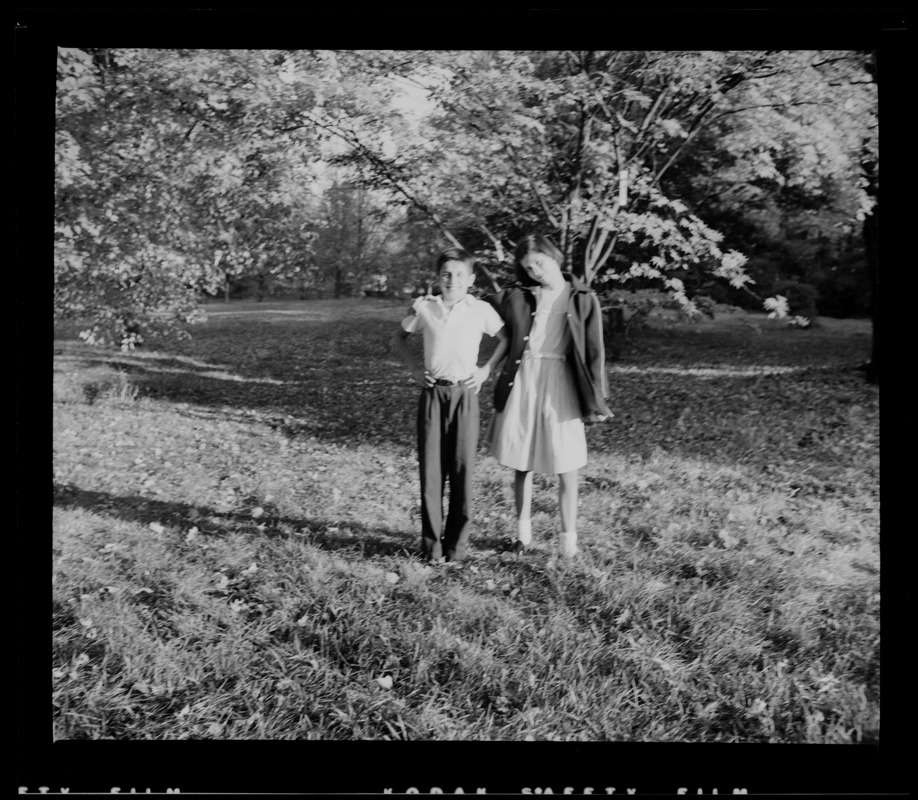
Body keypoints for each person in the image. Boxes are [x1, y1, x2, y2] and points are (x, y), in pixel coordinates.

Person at [486, 234, 612, 558]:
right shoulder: (520, 296)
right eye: (529, 268)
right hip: (524, 379)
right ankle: (522, 537)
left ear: (554, 257)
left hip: (562, 383)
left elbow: (595, 352)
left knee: (567, 463)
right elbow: (481, 306)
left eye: (540, 263)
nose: (537, 272)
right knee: (521, 462)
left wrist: (597, 400)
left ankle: (569, 544)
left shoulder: (583, 297)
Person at [394, 247, 508, 563]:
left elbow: (507, 340)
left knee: (462, 470)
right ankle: (431, 548)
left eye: (459, 274)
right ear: (438, 277)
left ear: (470, 279)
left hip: (465, 396)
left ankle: (456, 548)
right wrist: (415, 369)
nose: (452, 280)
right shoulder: (426, 308)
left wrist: (486, 370)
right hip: (433, 395)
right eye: (446, 274)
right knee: (432, 471)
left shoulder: (480, 309)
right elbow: (399, 338)